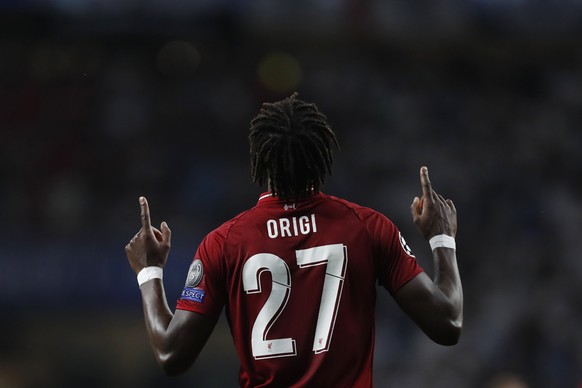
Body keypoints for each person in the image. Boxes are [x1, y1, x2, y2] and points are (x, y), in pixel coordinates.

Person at [124, 93, 463, 387]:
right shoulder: (367, 228)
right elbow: (447, 323)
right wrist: (441, 238)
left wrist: (149, 271)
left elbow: (171, 354)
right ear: (321, 157)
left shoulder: (224, 243)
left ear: (261, 160)